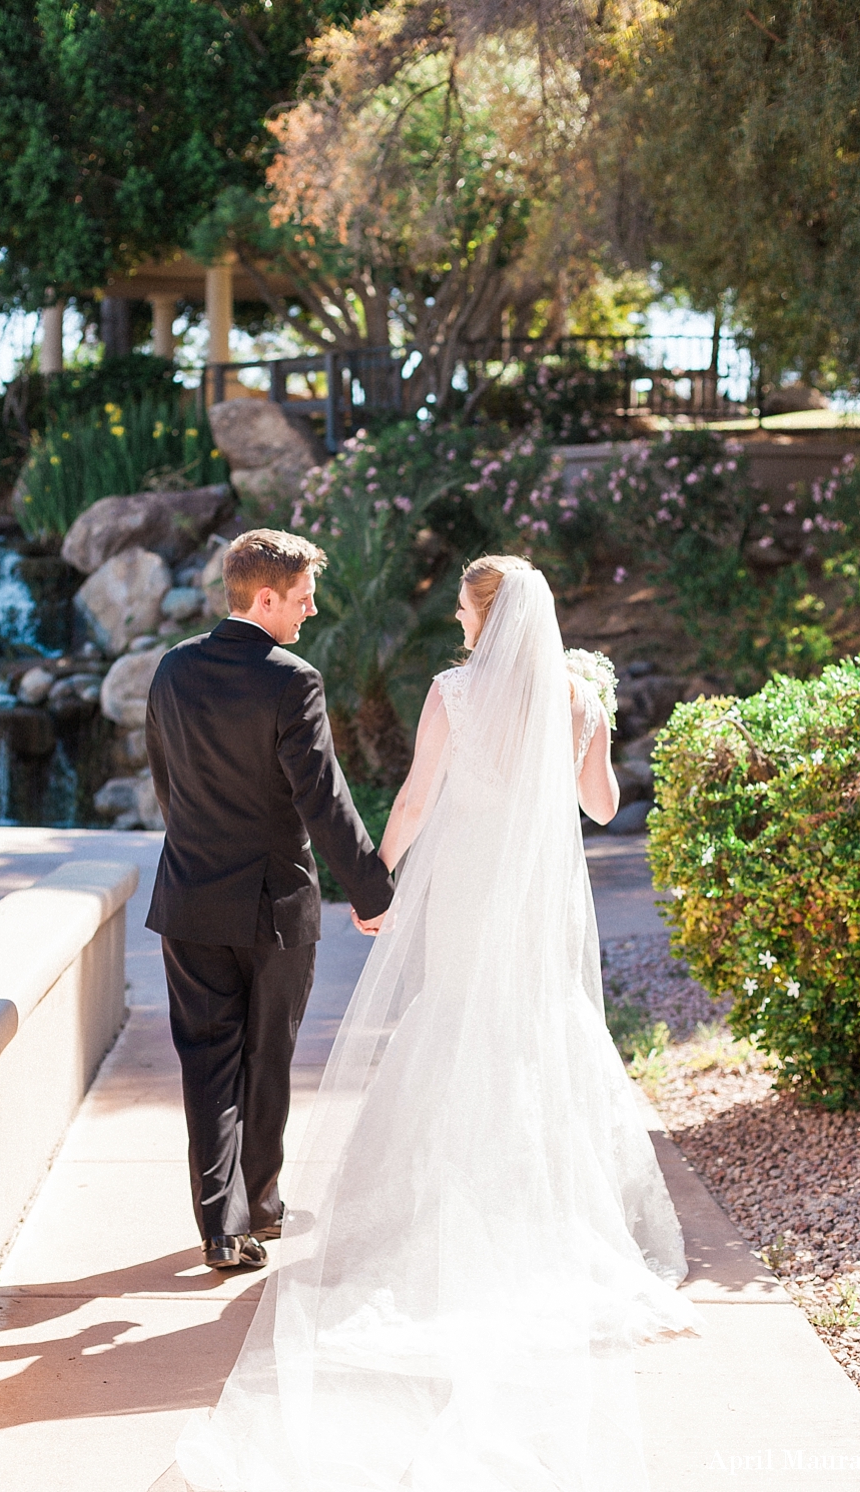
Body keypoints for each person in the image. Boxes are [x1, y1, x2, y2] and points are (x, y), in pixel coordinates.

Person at [177, 555, 699, 1491]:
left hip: (464, 892)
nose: (459, 623)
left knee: (457, 1028)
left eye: (464, 609)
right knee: (533, 1038)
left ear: (487, 617)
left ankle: (441, 1224)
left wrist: (373, 879)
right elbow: (602, 808)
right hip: (533, 901)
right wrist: (599, 726)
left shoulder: (455, 692)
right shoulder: (578, 696)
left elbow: (415, 799)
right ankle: (540, 1225)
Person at [145, 528, 393, 1273]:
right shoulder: (291, 679)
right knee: (268, 1055)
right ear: (264, 598)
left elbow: (167, 782)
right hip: (273, 906)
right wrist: (372, 891)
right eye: (303, 599)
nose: (310, 612)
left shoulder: (170, 670)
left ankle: (223, 1227)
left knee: (207, 1062)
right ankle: (261, 1204)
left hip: (188, 895)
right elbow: (322, 798)